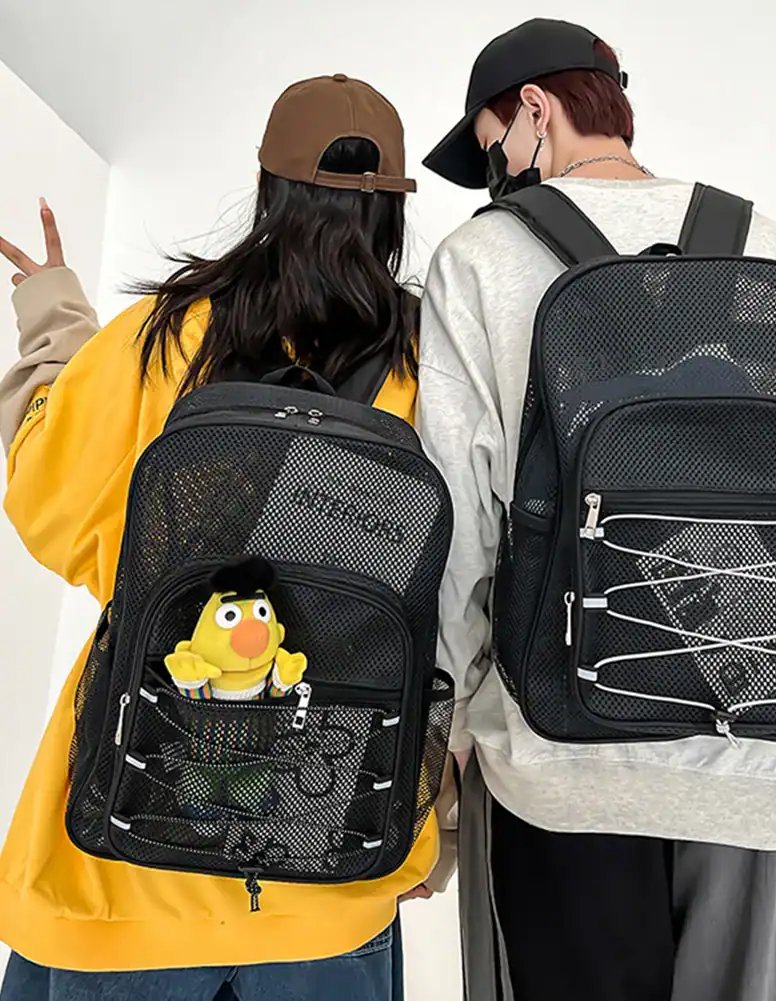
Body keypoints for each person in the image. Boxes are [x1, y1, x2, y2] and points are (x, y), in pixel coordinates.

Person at [418, 18, 776, 1001]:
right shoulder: (766, 243)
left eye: (492, 146)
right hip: (763, 741)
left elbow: (455, 520)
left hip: (560, 757)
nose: (496, 176)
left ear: (536, 111)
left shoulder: (482, 256)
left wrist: (447, 727)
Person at [0, 75, 455, 1001]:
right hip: (331, 844)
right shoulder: (433, 364)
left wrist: (56, 328)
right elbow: (461, 601)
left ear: (266, 187)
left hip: (131, 846)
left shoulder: (164, 337)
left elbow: (54, 507)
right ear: (394, 211)